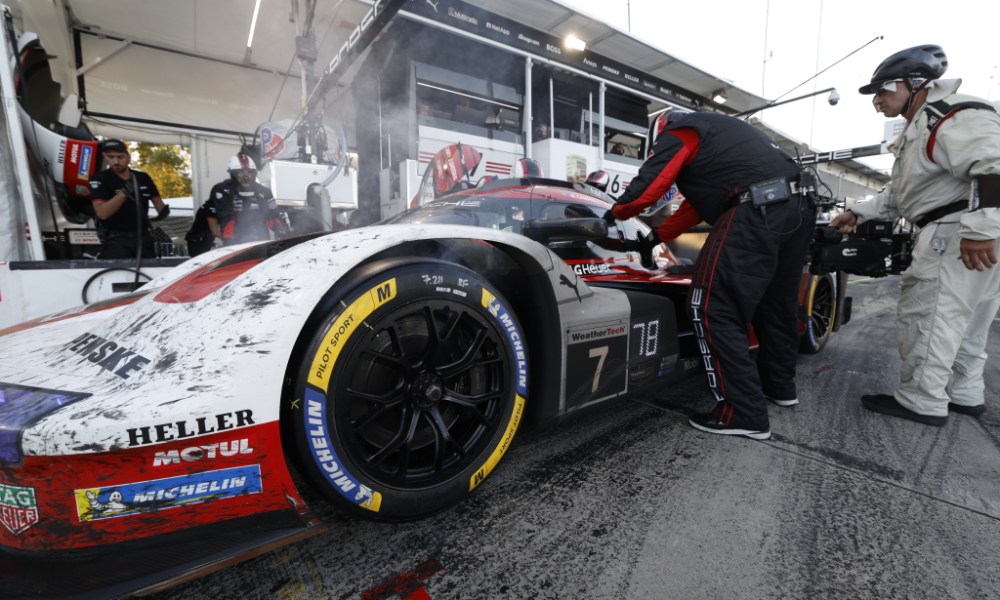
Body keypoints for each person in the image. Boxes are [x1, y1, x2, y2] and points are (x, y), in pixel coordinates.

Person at [606, 108, 817, 440]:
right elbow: (694, 208)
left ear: (658, 132)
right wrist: (655, 237)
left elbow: (650, 186)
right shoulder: (724, 142)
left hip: (757, 206)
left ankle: (743, 413)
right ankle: (780, 387)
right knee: (774, 305)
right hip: (799, 207)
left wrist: (613, 214)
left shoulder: (684, 130)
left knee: (712, 306)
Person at [830, 45, 1000, 426]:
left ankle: (921, 399)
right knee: (969, 319)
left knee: (931, 314)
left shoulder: (951, 115)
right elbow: (901, 194)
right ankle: (964, 392)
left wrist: (981, 229)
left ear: (915, 83)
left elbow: (993, 166)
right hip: (970, 226)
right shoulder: (926, 125)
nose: (877, 101)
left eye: (883, 91)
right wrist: (857, 212)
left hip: (959, 229)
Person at [89, 139, 170, 259]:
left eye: (120, 157)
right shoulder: (100, 179)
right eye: (111, 157)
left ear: (128, 157)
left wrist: (163, 213)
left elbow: (159, 204)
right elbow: (102, 213)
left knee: (148, 274)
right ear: (105, 157)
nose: (116, 161)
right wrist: (124, 192)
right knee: (119, 275)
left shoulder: (142, 177)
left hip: (143, 238)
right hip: (117, 239)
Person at [208, 153, 287, 246]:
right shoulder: (222, 190)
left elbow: (273, 215)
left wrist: (279, 230)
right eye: (241, 172)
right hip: (234, 243)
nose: (246, 176)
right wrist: (221, 236)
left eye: (249, 172)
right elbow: (217, 215)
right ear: (233, 174)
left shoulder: (264, 191)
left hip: (261, 241)